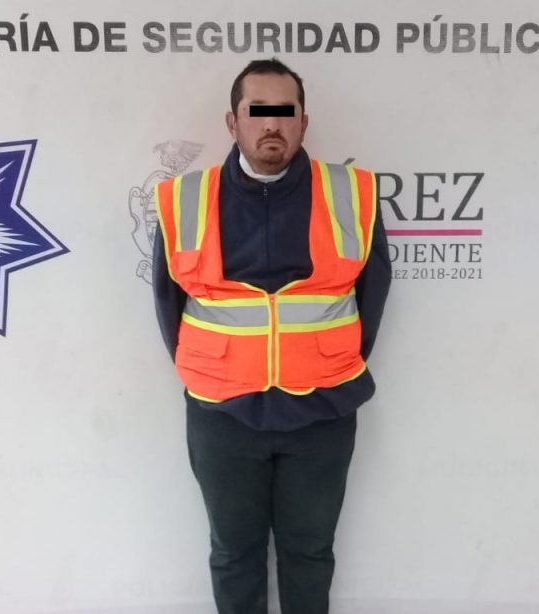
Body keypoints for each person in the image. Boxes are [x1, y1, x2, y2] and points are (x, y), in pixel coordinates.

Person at [152, 58, 391, 614]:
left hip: (322, 413)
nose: (271, 125)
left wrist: (326, 362)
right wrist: (211, 371)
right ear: (232, 123)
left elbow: (373, 294)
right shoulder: (184, 199)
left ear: (304, 122)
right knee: (234, 555)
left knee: (310, 555)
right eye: (257, 112)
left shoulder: (352, 194)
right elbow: (169, 304)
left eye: (285, 113)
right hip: (222, 414)